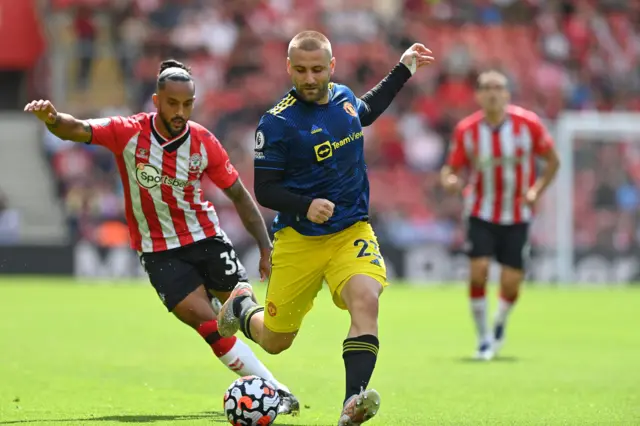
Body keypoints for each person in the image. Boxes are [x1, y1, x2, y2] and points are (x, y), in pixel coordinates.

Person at [23, 60, 299, 414]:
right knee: (210, 326)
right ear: (157, 101)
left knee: (244, 314)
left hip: (205, 237)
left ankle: (252, 322)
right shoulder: (128, 132)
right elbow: (77, 129)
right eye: (173, 104)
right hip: (159, 252)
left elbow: (240, 195)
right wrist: (52, 119)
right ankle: (277, 390)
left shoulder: (204, 142)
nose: (180, 112)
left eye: (187, 104)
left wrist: (264, 246)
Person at [216, 31, 434, 425]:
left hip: (351, 231)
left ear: (331, 67)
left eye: (317, 69)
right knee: (275, 341)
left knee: (367, 300)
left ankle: (352, 403)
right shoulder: (277, 123)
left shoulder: (344, 98)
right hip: (299, 240)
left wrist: (403, 69)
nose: (310, 78)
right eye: (301, 70)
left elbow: (365, 109)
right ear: (289, 68)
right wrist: (305, 205)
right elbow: (265, 189)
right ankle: (242, 307)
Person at [440, 70, 560, 361]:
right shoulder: (467, 130)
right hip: (480, 211)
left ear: (507, 93)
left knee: (510, 282)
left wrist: (535, 192)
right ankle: (483, 337)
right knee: (478, 271)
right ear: (478, 95)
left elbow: (553, 162)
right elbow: (450, 169)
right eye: (486, 88)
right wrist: (450, 181)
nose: (492, 93)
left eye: (498, 88)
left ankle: (499, 324)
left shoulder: (528, 124)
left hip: (517, 214)